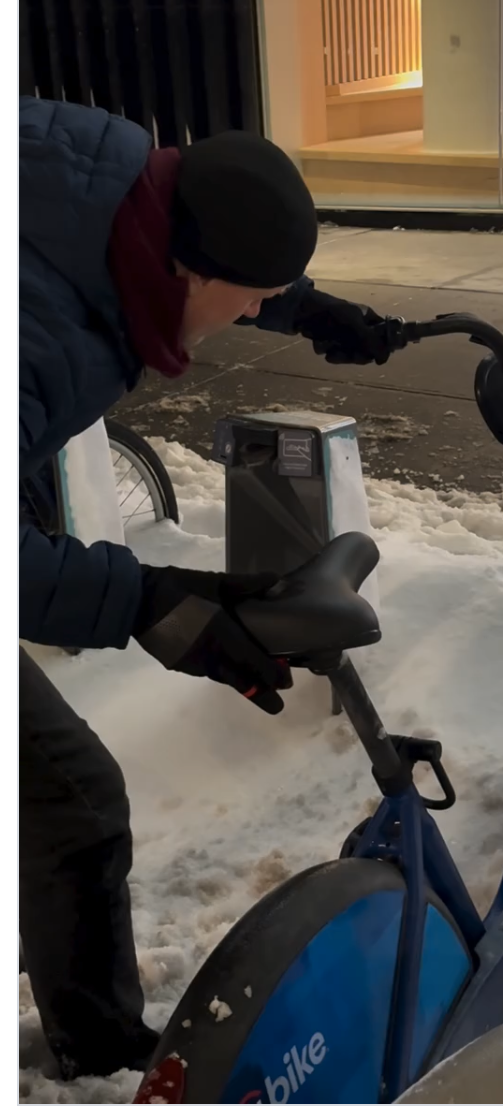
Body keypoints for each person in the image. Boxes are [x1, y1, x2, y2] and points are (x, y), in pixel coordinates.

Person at [19, 97, 395, 1079]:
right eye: (251, 297)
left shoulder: (100, 189)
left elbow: (193, 228)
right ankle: (101, 1056)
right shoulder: (37, 332)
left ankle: (97, 1045)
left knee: (66, 799)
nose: (252, 315)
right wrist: (148, 602)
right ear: (188, 269)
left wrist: (300, 302)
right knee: (69, 795)